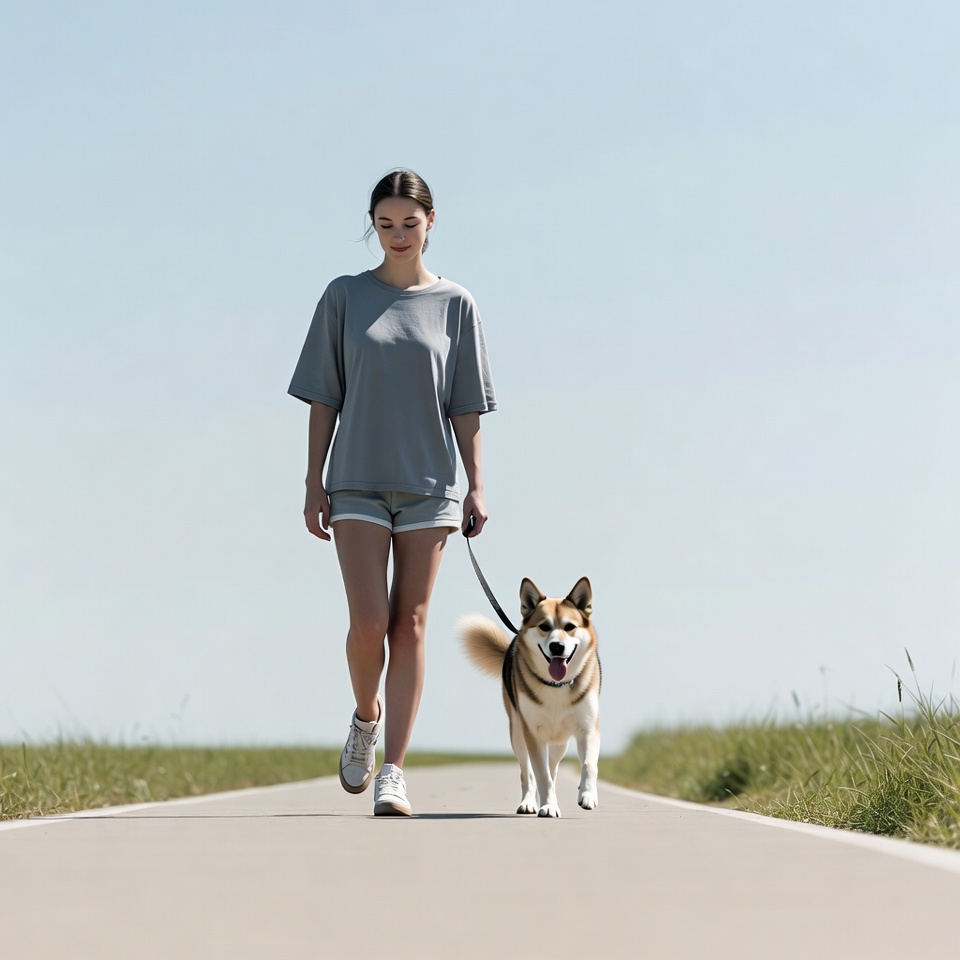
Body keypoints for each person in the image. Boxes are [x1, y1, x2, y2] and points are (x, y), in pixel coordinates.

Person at [288, 169, 497, 816]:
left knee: (410, 626)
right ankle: (365, 717)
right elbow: (324, 394)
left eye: (410, 223)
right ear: (372, 227)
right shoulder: (344, 297)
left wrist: (477, 485)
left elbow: (467, 406)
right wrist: (312, 480)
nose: (399, 235)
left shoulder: (456, 304)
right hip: (353, 480)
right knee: (369, 623)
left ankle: (395, 772)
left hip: (430, 486)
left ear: (432, 223)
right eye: (386, 224)